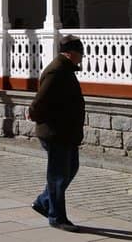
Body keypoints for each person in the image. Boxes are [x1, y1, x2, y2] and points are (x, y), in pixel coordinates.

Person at [29, 34, 85, 233]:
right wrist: (37, 117)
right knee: (58, 175)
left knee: (70, 169)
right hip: (55, 132)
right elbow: (39, 102)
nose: (82, 57)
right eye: (80, 53)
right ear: (70, 54)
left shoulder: (65, 69)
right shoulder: (57, 71)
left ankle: (44, 202)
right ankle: (56, 216)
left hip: (66, 132)